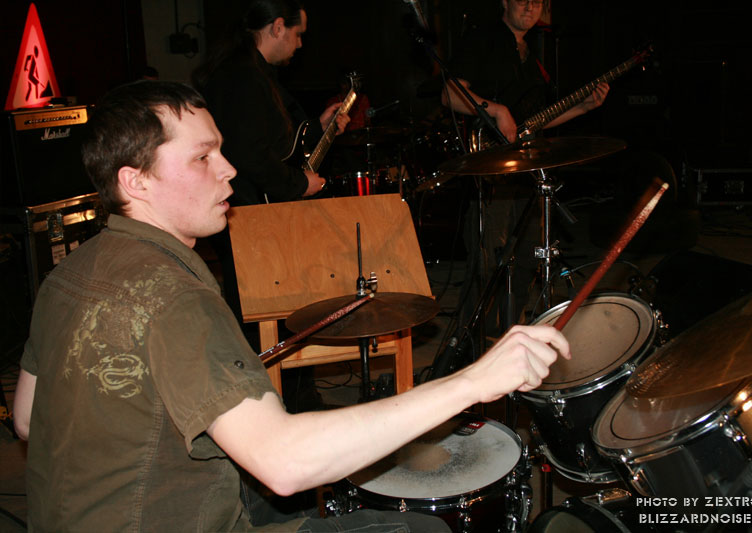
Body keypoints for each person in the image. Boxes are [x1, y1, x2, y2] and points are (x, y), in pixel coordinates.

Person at [13, 80, 570, 531]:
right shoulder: (173, 295)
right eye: (203, 157)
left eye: (220, 149)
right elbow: (283, 463)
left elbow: (27, 420)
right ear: (135, 182)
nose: (229, 169)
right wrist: (474, 381)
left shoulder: (67, 274)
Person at [441, 0, 609, 337]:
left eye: (537, 1)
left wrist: (582, 108)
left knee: (529, 257)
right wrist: (495, 109)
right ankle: (469, 344)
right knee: (488, 262)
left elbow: (533, 123)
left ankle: (508, 335)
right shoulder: (482, 39)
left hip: (524, 170)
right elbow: (449, 94)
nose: (531, 6)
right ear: (504, 1)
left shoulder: (531, 55)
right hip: (491, 171)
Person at [193, 0, 349, 205]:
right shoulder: (243, 75)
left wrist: (317, 127)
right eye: (298, 34)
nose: (300, 44)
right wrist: (299, 184)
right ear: (278, 27)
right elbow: (248, 152)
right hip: (246, 206)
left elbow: (270, 139)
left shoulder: (253, 71)